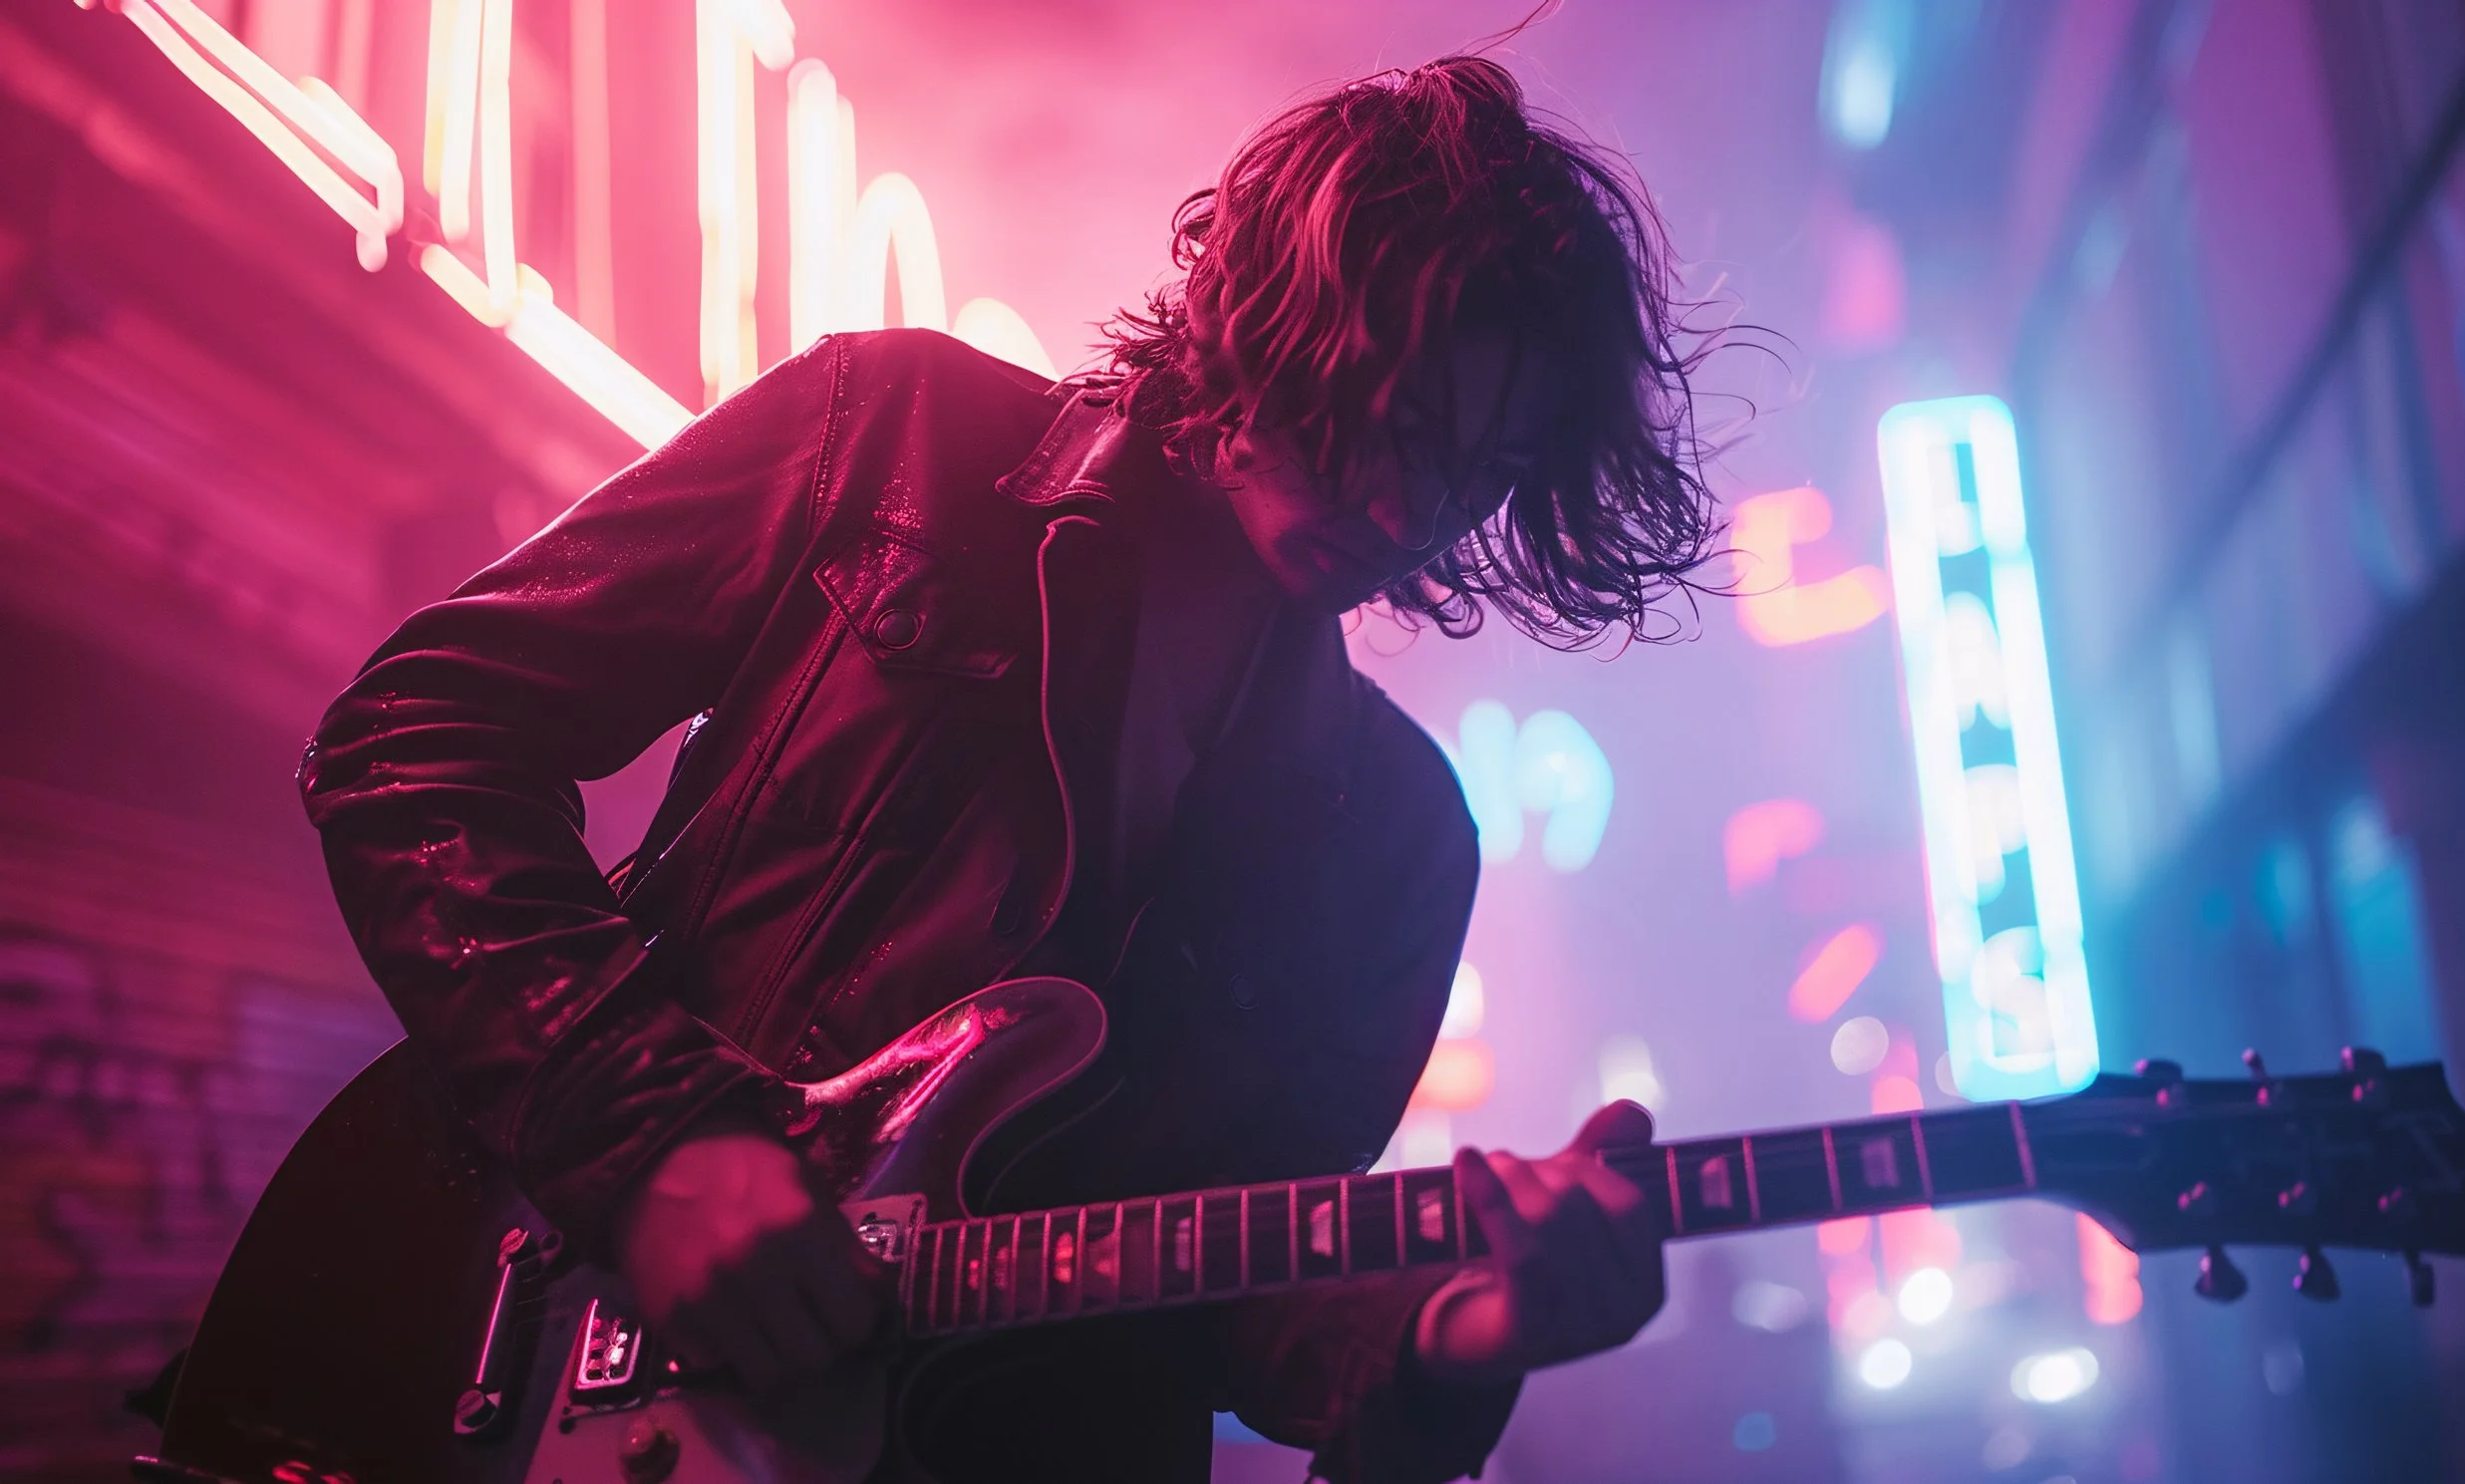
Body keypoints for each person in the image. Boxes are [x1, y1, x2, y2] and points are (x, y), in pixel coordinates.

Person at [299, 54, 1719, 1484]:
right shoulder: (896, 434)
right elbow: (418, 735)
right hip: (509, 1363)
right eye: (1401, 421)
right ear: (1278, 315)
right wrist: (654, 1140)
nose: (1413, 511)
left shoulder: (1400, 841)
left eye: (1480, 470)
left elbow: (1234, 1286)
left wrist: (1455, 1340)